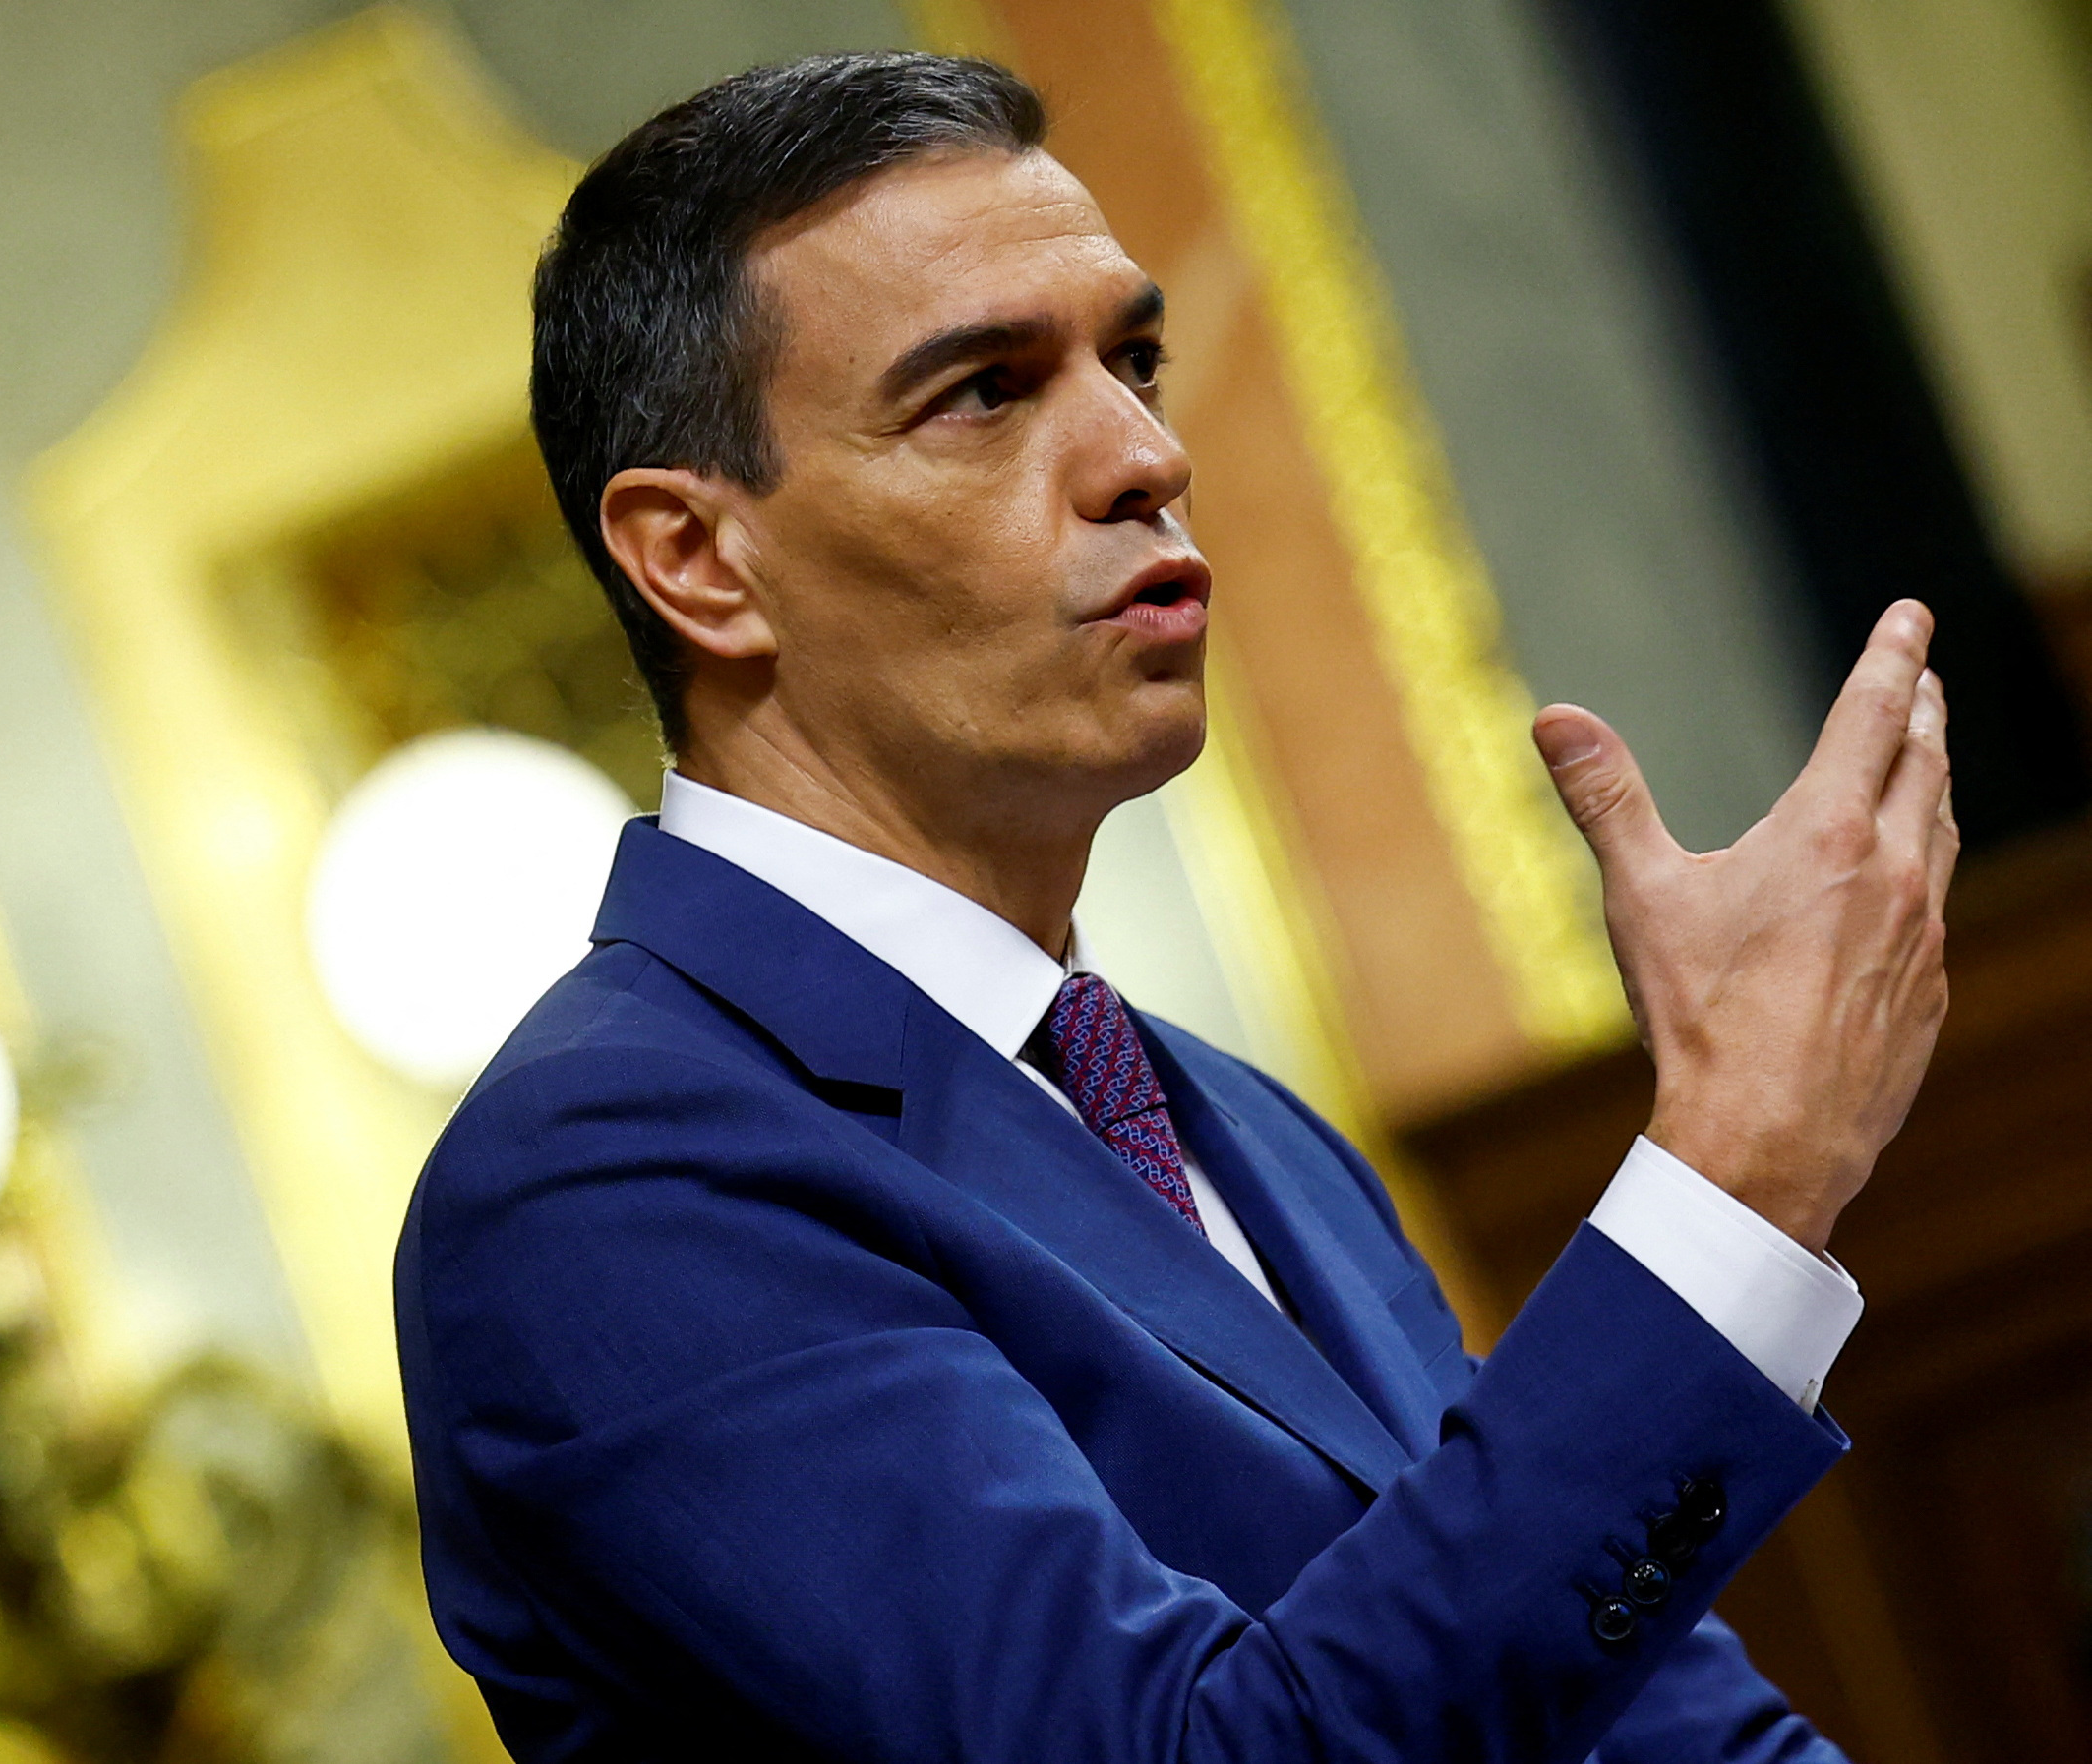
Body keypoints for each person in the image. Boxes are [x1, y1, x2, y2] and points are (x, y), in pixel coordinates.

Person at [394, 52, 1953, 1763]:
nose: (1145, 454)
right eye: (983, 393)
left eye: (1130, 360)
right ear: (698, 558)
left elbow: (1643, 1726)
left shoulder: (1239, 1124)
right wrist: (1734, 1171)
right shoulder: (602, 1179)